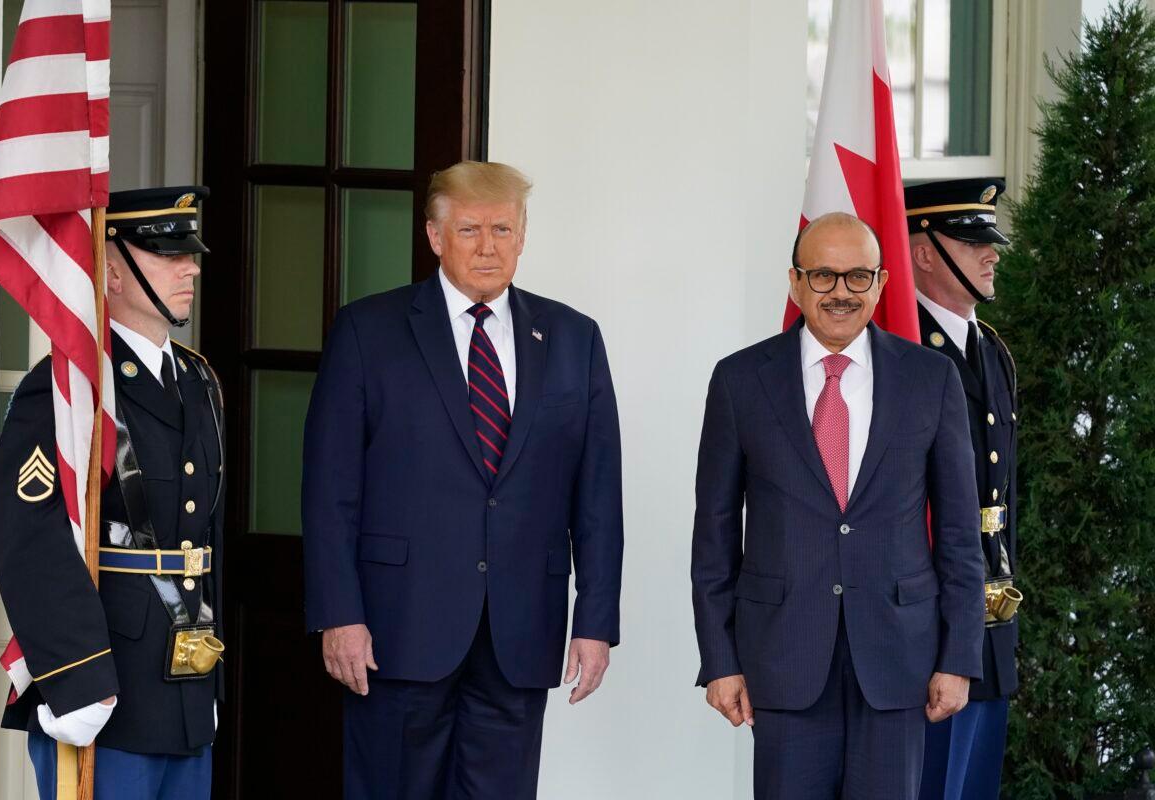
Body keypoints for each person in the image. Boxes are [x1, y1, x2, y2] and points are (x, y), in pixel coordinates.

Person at [302, 160, 624, 799]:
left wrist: (594, 622)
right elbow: (329, 491)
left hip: (520, 631)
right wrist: (339, 613)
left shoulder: (572, 338)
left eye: (503, 229)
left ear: (524, 235)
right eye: (471, 230)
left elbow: (598, 498)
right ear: (434, 236)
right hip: (396, 629)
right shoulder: (368, 331)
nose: (488, 247)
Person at [691, 212, 984, 798]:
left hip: (899, 662)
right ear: (795, 283)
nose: (841, 292)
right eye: (823, 276)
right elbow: (715, 536)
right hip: (783, 658)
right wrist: (719, 659)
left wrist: (959, 658)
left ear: (881, 284)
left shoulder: (932, 379)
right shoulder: (740, 381)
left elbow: (958, 534)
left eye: (857, 276)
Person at [0, 186, 225, 799]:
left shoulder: (198, 380)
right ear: (113, 271)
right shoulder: (68, 388)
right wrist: (75, 677)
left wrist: (208, 687)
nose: (191, 267)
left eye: (190, 255)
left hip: (183, 685)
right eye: (169, 256)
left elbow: (201, 538)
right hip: (106, 683)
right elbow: (30, 540)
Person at [908, 179, 1020, 800]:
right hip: (927, 631)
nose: (992, 252)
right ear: (924, 251)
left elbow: (1003, 498)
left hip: (990, 625)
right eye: (973, 241)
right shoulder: (901, 353)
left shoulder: (992, 350)